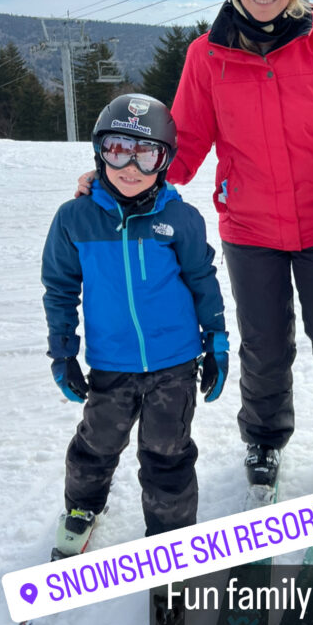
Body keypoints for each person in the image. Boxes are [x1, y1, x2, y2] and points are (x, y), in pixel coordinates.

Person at [76, 0, 313, 492]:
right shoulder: (206, 57)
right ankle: (264, 440)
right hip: (251, 231)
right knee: (265, 346)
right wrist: (117, 177)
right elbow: (181, 150)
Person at [42, 93, 228, 557]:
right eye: (117, 150)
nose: (131, 167)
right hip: (111, 362)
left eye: (146, 155)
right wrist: (63, 350)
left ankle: (169, 539)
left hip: (175, 363)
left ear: (164, 160)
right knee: (97, 443)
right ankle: (82, 507)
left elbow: (202, 280)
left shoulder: (180, 219)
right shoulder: (74, 219)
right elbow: (60, 287)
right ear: (99, 151)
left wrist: (217, 339)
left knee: (167, 453)